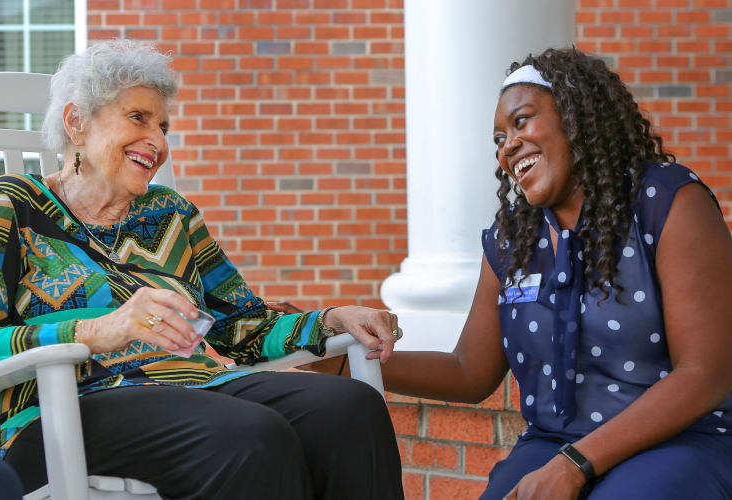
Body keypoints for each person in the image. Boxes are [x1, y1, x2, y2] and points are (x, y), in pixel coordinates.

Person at [0, 39, 404, 500]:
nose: (160, 141)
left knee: (351, 409)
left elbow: (243, 326)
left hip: (198, 386)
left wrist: (331, 319)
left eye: (163, 125)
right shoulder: (11, 206)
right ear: (76, 123)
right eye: (138, 118)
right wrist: (98, 330)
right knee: (251, 434)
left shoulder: (172, 214)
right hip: (60, 410)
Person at [310, 47, 732, 499]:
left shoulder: (668, 202)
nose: (507, 145)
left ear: (578, 117)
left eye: (522, 121)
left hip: (681, 440)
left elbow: (704, 373)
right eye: (498, 138)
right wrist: (336, 358)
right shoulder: (512, 241)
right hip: (554, 444)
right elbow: (468, 371)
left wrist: (575, 466)